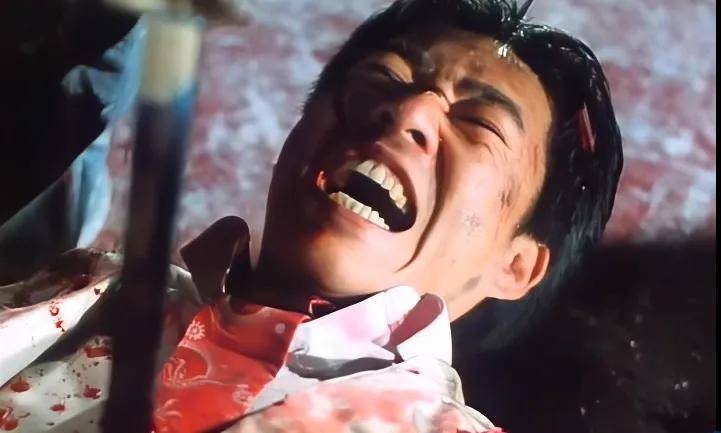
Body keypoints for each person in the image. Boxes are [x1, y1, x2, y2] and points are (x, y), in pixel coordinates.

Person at [0, 0, 623, 432]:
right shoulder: (92, 286)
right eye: (383, 78)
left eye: (479, 123)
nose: (408, 112)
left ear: (516, 265)